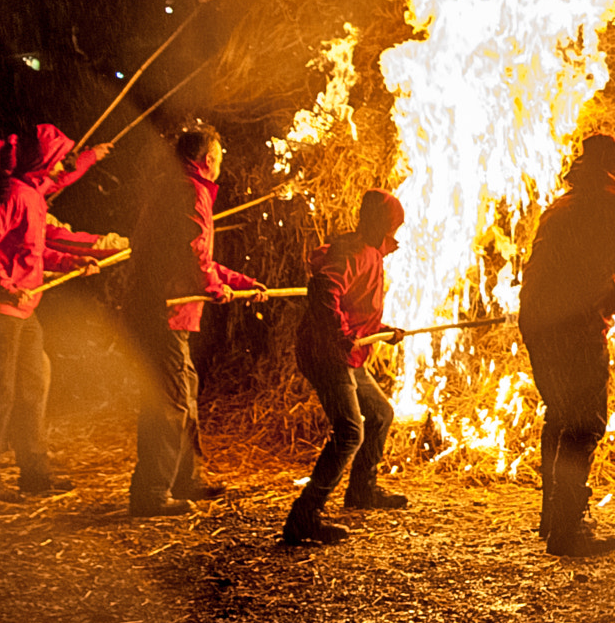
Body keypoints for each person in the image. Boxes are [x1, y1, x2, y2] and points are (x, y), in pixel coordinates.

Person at [518, 134, 615, 558]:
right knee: (584, 423)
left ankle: (552, 518)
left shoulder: (560, 205)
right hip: (575, 327)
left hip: (537, 323)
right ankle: (569, 528)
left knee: (560, 414)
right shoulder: (610, 204)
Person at [126, 126, 265, 517]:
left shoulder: (175, 186)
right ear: (207, 159)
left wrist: (239, 281)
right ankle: (152, 493)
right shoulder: (192, 191)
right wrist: (214, 286)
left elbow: (196, 254)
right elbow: (193, 252)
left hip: (165, 307)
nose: (221, 163)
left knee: (184, 391)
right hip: (164, 309)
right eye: (219, 156)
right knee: (169, 400)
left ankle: (183, 478)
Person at [0, 125, 92, 504]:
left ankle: (35, 473)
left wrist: (71, 261)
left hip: (24, 307)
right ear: (43, 160)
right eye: (59, 158)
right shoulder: (14, 194)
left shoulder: (32, 195)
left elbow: (30, 249)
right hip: (1, 308)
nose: (62, 165)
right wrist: (4, 285)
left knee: (33, 387)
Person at [283, 190, 410, 546]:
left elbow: (354, 309)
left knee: (381, 413)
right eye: (393, 224)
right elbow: (324, 288)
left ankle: (362, 490)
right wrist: (340, 336)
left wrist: (381, 332)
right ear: (383, 224)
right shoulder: (357, 253)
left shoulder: (366, 251)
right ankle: (304, 517)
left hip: (345, 352)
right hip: (328, 354)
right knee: (351, 432)